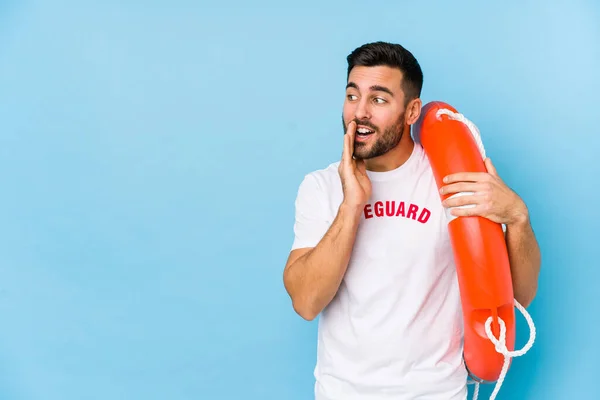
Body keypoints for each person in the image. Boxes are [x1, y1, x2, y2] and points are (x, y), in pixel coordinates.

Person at [282, 41, 541, 400]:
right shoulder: (321, 187)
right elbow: (306, 301)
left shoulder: (452, 181)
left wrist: (518, 217)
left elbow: (520, 296)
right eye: (352, 95)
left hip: (434, 393)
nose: (359, 113)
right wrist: (351, 206)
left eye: (379, 99)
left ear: (411, 111)